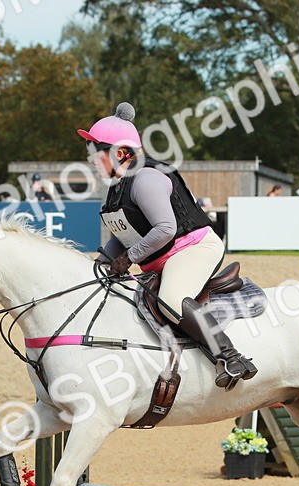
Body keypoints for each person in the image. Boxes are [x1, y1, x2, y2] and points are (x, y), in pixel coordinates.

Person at [78, 101, 256, 390]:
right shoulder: (117, 187)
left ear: (121, 153)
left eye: (96, 153)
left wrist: (129, 258)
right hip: (160, 258)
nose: (91, 160)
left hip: (193, 248)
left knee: (171, 299)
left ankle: (230, 356)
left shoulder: (145, 179)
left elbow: (165, 229)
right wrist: (100, 266)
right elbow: (123, 235)